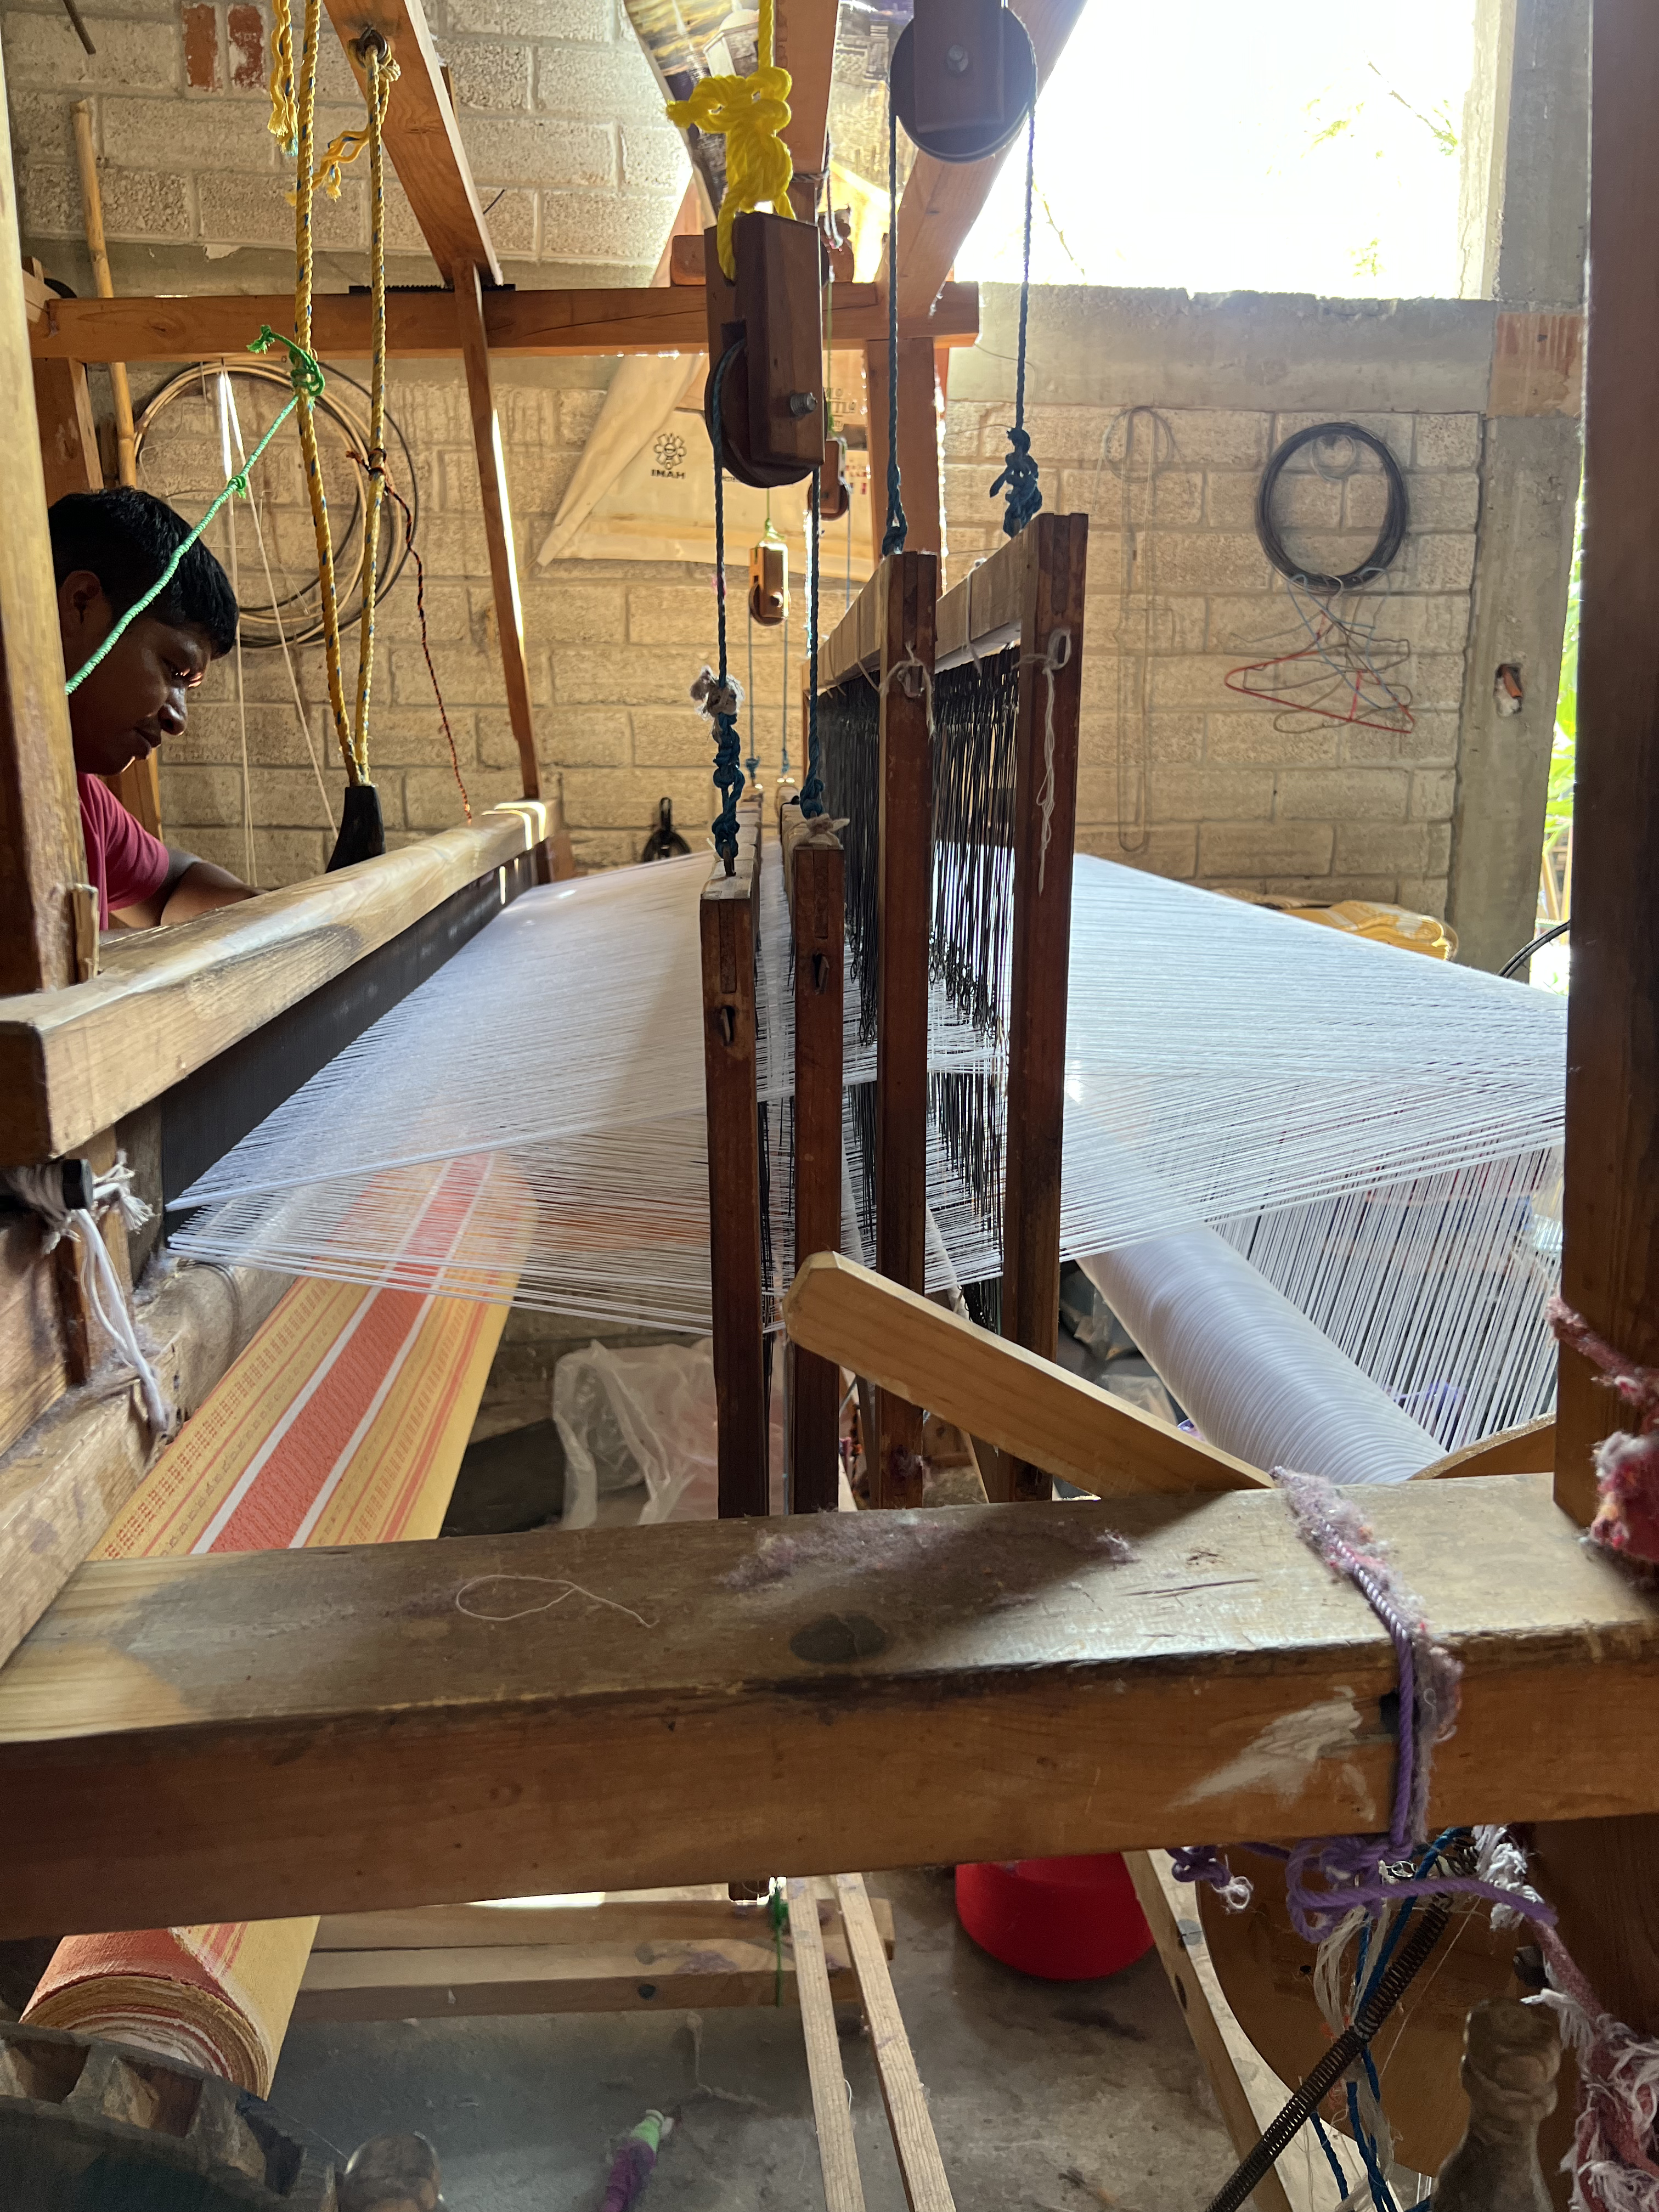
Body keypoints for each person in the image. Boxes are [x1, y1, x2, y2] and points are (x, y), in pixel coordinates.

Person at [52, 487, 257, 930]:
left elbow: (172, 887)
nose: (177, 719)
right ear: (82, 603)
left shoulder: (82, 800)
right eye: (174, 669)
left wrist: (286, 911)